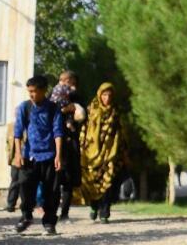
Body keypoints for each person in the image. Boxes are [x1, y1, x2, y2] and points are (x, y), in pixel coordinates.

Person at [12, 76, 64, 235]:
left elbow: (58, 133)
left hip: (49, 156)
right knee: (25, 186)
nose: (31, 94)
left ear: (43, 91)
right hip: (30, 156)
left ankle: (49, 222)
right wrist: (18, 154)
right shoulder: (24, 108)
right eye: (29, 91)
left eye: (34, 91)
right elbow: (18, 133)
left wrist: (58, 156)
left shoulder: (53, 109)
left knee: (52, 192)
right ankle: (26, 216)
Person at [78, 83, 129, 223]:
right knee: (92, 183)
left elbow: (121, 133)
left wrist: (123, 152)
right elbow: (84, 131)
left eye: (109, 95)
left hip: (110, 153)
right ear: (99, 95)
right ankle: (94, 206)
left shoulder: (115, 112)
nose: (107, 98)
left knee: (108, 183)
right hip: (91, 154)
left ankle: (105, 211)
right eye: (104, 95)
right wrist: (82, 148)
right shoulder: (91, 110)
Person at [52, 71, 86, 221]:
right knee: (54, 180)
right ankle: (51, 211)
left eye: (69, 81)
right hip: (56, 143)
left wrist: (75, 114)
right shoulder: (54, 96)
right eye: (63, 80)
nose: (66, 83)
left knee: (68, 181)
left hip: (71, 142)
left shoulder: (78, 97)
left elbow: (84, 117)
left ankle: (64, 213)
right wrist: (64, 111)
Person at [4, 121, 22, 213]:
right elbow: (8, 142)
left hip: (25, 157)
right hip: (14, 159)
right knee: (14, 181)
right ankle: (11, 204)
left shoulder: (28, 125)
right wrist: (9, 154)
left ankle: (26, 204)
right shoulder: (11, 126)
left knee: (25, 182)